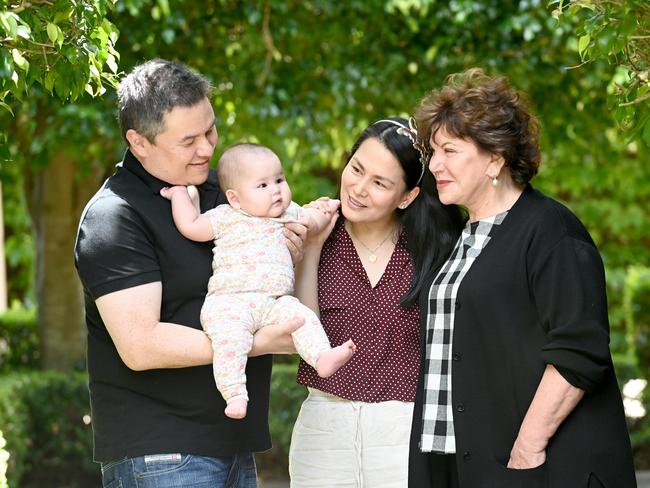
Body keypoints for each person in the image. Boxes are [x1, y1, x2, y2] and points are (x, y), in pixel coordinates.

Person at [74, 59, 307, 488]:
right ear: (139, 142)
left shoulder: (228, 192)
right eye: (189, 140)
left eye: (210, 130)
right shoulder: (114, 218)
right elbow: (141, 345)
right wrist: (256, 342)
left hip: (235, 442)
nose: (207, 148)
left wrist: (289, 255)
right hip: (161, 453)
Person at [408, 68, 637, 487]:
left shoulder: (552, 231)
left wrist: (527, 447)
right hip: (462, 462)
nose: (434, 164)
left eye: (450, 150)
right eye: (432, 151)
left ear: (495, 157)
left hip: (537, 468)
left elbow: (579, 351)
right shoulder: (462, 237)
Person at [288, 117, 465, 487]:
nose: (359, 189)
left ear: (407, 196)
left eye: (380, 183)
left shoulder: (433, 250)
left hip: (404, 429)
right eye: (357, 169)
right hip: (324, 428)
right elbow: (304, 336)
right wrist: (312, 251)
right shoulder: (315, 231)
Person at [159, 142, 356, 420]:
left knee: (303, 317)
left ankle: (321, 356)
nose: (276, 189)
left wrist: (329, 207)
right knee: (230, 338)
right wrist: (180, 195)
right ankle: (235, 392)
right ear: (235, 198)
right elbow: (190, 225)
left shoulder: (289, 213)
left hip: (275, 302)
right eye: (262, 186)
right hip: (231, 301)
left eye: (279, 180)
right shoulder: (226, 216)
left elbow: (313, 220)